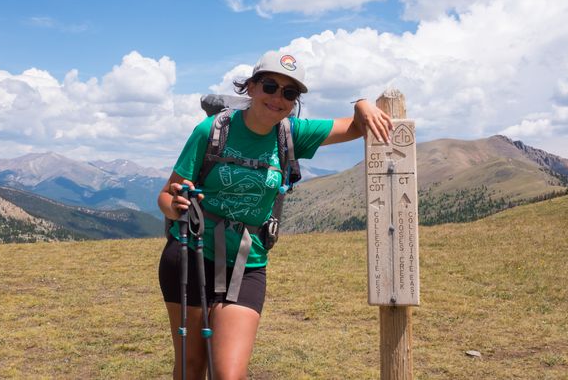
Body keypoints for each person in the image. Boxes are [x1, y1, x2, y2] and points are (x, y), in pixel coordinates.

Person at [158, 51, 393, 379]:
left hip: (247, 262)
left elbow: (356, 127)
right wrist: (175, 206)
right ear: (251, 88)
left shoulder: (292, 133)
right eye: (270, 86)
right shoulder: (211, 130)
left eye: (289, 92)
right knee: (191, 367)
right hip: (191, 256)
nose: (278, 97)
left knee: (229, 374)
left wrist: (362, 103)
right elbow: (168, 194)